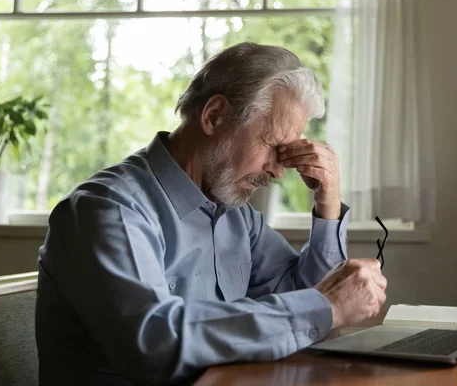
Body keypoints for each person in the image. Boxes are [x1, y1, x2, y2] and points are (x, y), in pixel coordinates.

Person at [35, 42, 387, 385]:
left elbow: (311, 307)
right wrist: (326, 305)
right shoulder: (108, 209)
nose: (279, 171)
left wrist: (327, 207)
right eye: (273, 146)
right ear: (214, 116)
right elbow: (154, 344)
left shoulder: (235, 215)